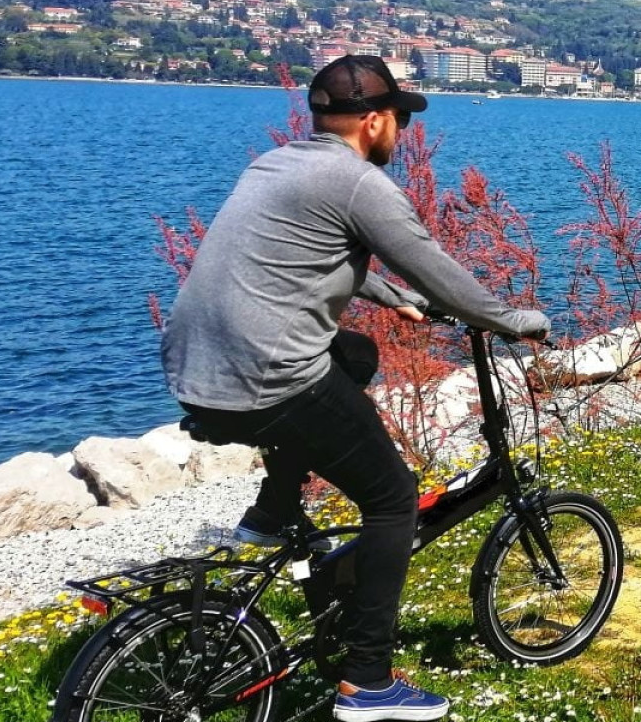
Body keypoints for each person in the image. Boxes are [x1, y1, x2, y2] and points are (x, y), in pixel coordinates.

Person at [162, 55, 549, 722]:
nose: (404, 131)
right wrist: (512, 320)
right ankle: (368, 681)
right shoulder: (359, 183)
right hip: (268, 378)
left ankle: (275, 508)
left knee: (356, 353)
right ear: (373, 121)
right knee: (394, 498)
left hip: (195, 369)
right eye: (399, 118)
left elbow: (311, 250)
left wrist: (388, 296)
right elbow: (436, 267)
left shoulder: (276, 164)